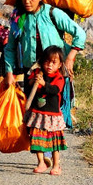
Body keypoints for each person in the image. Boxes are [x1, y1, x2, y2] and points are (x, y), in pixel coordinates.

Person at [3, 0, 86, 98]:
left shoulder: (52, 13)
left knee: (54, 105)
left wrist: (70, 58)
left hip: (55, 73)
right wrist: (9, 73)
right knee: (31, 107)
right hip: (31, 73)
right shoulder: (19, 19)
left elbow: (80, 33)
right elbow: (10, 48)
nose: (26, 1)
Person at [24, 46, 68, 175]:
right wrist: (32, 82)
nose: (49, 65)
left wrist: (43, 84)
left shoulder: (59, 78)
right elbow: (28, 87)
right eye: (47, 62)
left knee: (54, 143)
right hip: (38, 114)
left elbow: (55, 90)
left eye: (54, 62)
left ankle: (56, 165)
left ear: (60, 65)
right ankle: (41, 163)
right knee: (37, 139)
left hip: (52, 115)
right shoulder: (37, 73)